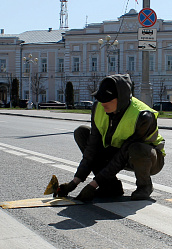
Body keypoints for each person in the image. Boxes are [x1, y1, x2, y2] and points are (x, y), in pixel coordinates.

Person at [55, 74, 165, 202]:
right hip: (116, 151)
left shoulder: (143, 116)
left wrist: (93, 184)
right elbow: (92, 149)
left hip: (148, 158)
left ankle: (144, 186)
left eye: (108, 100)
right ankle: (110, 186)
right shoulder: (98, 108)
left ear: (122, 99)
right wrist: (75, 182)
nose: (103, 104)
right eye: (101, 99)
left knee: (137, 148)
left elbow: (123, 155)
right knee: (81, 133)